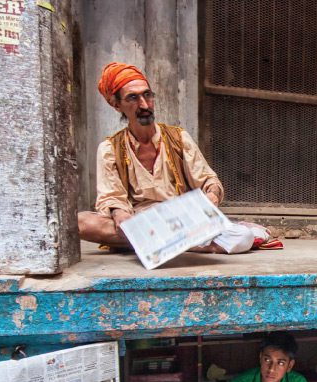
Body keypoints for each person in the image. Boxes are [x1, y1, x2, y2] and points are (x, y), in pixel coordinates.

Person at [77, 62, 225, 251]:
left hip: (181, 221)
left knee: (243, 236)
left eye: (147, 95)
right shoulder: (109, 149)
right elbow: (111, 198)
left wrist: (212, 195)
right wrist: (119, 214)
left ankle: (155, 243)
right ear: (116, 105)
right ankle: (184, 244)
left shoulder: (179, 138)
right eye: (133, 98)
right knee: (82, 222)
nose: (144, 105)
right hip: (139, 221)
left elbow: (209, 181)